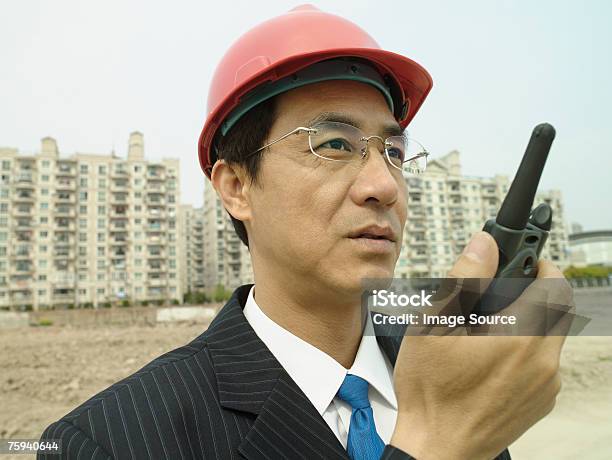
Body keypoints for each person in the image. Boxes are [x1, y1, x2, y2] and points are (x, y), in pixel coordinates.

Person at [39, 5, 572, 459]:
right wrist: (432, 443)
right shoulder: (107, 441)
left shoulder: (455, 371)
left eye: (394, 152)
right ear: (236, 187)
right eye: (335, 145)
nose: (383, 185)